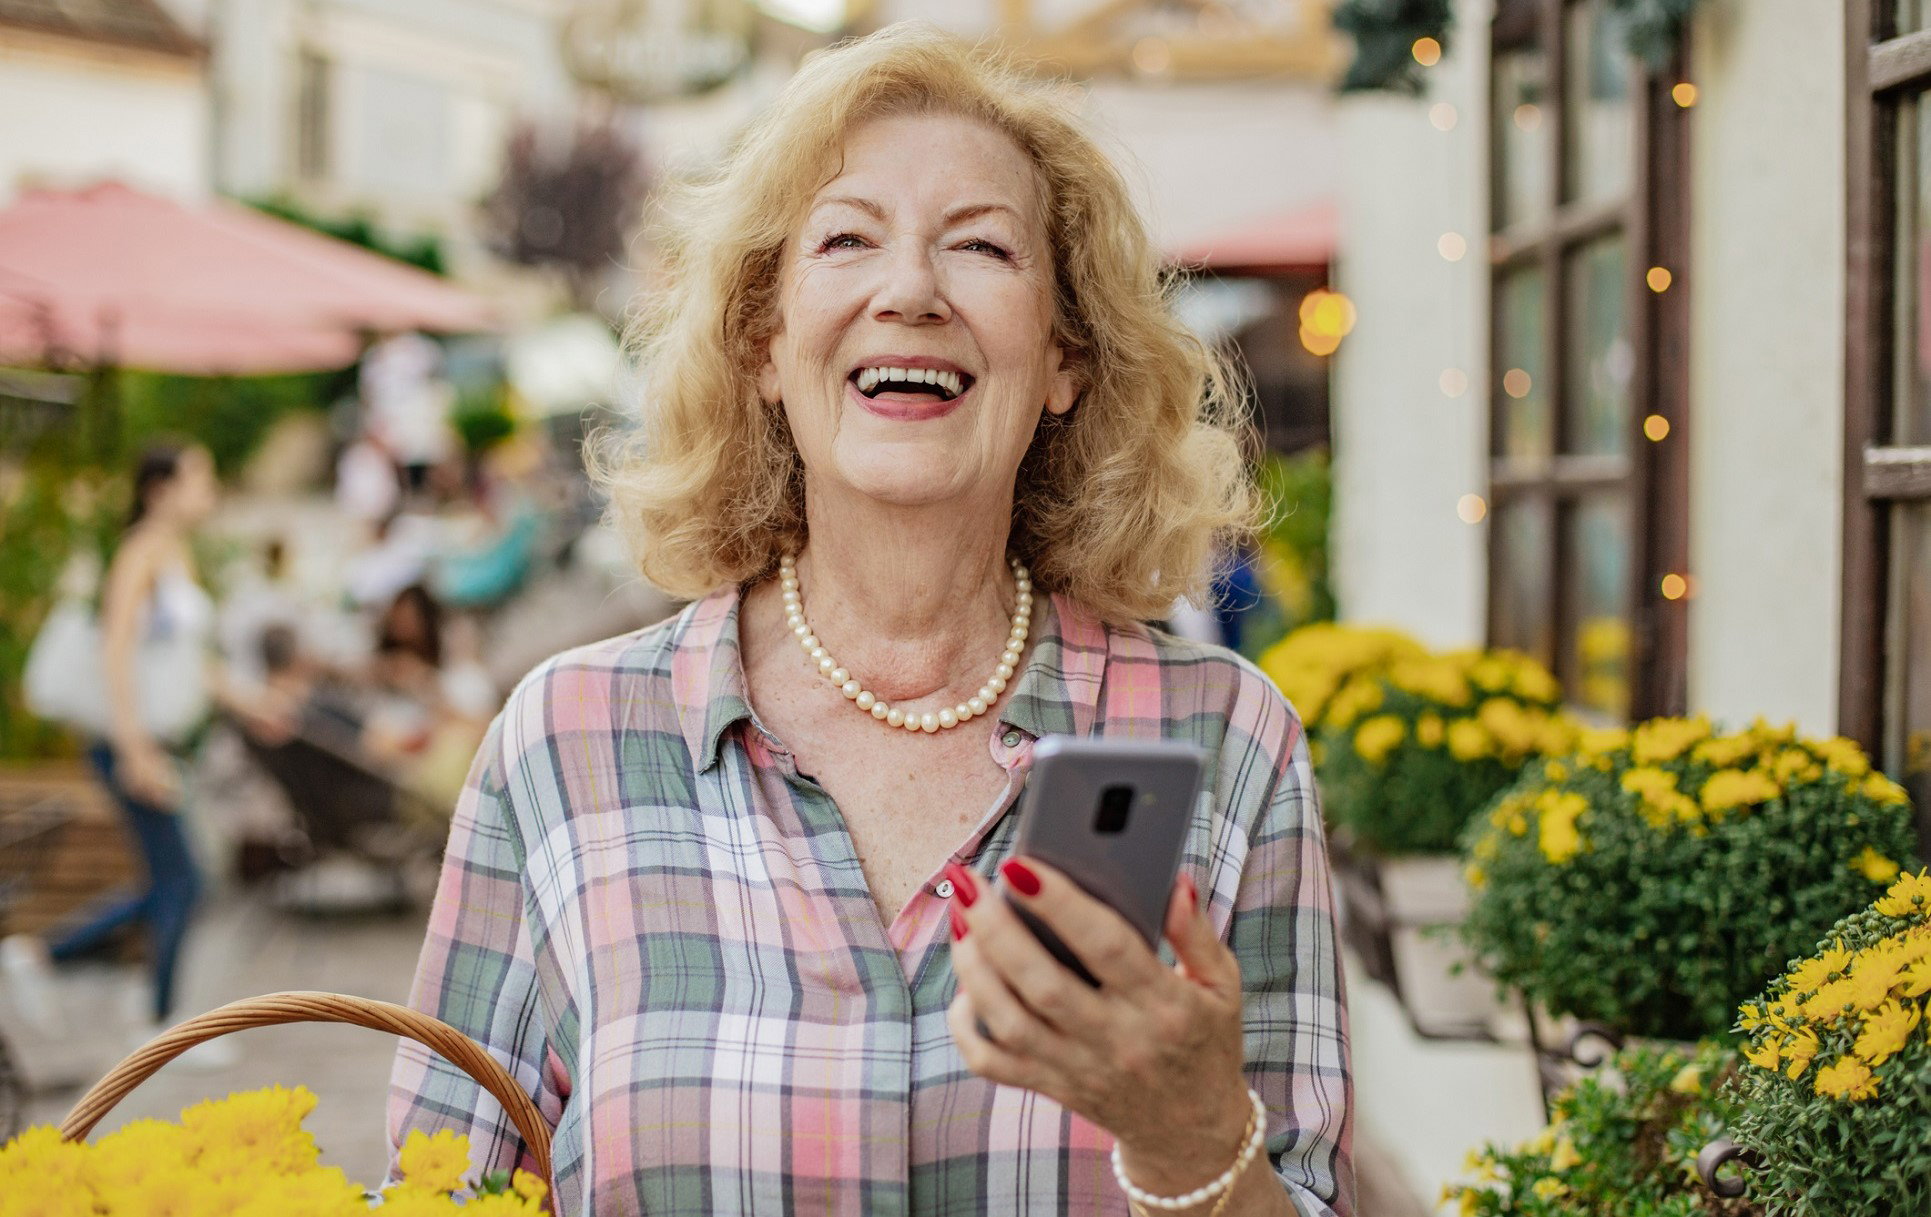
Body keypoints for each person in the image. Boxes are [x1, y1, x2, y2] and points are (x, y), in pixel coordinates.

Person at [388, 25, 1352, 1216]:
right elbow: (434, 1191)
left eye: (981, 246)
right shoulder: (562, 742)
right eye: (846, 239)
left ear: (1064, 357)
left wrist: (1190, 1135)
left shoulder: (1224, 739)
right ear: (763, 344)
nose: (909, 292)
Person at [2, 442, 288, 1059]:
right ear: (160, 489)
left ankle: (50, 960)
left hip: (157, 744)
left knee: (173, 879)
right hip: (130, 745)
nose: (209, 490)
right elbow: (116, 651)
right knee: (184, 879)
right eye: (198, 478)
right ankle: (151, 1016)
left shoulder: (175, 555)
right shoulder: (139, 554)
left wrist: (251, 704)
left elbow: (189, 660)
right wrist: (135, 751)